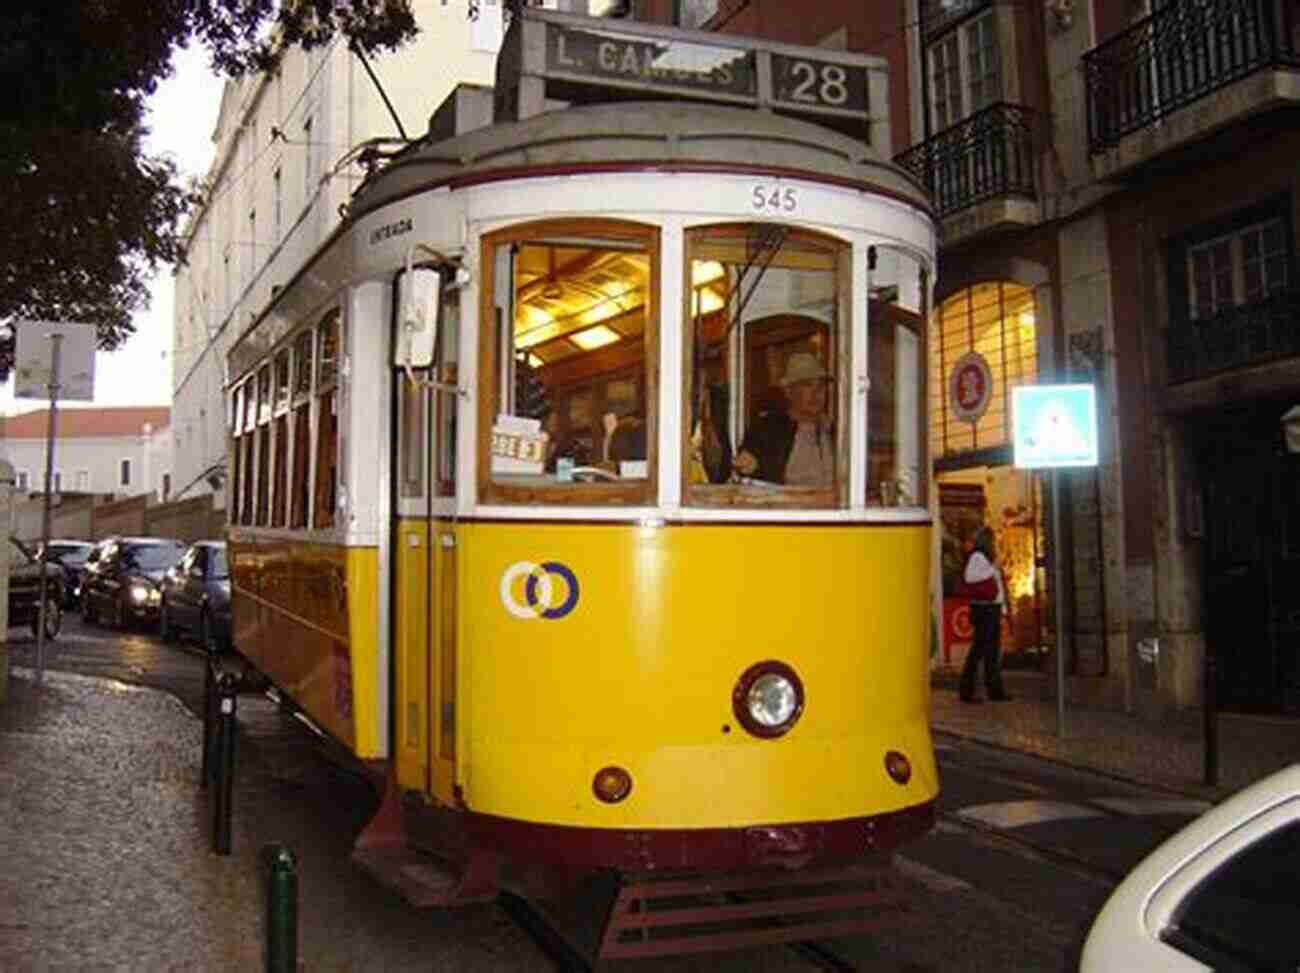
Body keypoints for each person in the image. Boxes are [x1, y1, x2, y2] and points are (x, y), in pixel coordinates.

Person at [733, 352, 833, 486]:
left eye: (821, 386)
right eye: (807, 385)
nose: (816, 393)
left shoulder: (836, 431)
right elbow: (749, 476)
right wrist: (749, 468)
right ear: (788, 391)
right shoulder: (767, 431)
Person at [959, 527, 1012, 703]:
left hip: (991, 608)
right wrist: (993, 569)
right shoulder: (978, 557)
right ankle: (967, 690)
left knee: (991, 651)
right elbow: (970, 577)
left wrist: (1002, 608)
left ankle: (995, 690)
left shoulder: (985, 559)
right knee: (979, 650)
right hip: (984, 610)